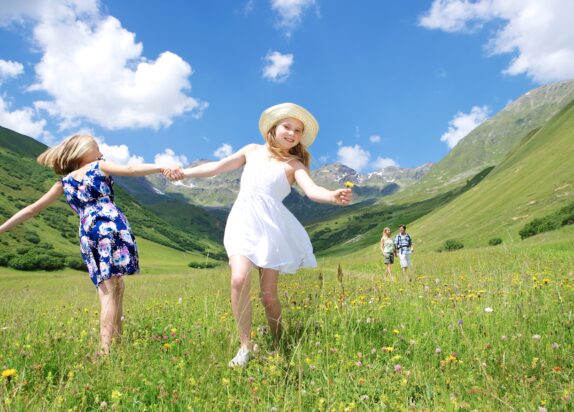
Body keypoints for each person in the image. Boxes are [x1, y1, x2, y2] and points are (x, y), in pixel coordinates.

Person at [173, 103, 352, 367]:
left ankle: (279, 341)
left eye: (297, 131)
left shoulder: (294, 164)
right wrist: (184, 173)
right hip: (243, 220)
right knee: (238, 279)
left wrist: (332, 196)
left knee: (268, 296)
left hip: (272, 228)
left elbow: (313, 190)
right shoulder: (251, 151)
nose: (291, 133)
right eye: (287, 127)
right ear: (274, 128)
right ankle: (245, 346)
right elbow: (218, 167)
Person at [0, 134, 181, 355]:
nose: (100, 150)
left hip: (88, 232)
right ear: (84, 151)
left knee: (115, 286)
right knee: (109, 291)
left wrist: (2, 228)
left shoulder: (64, 182)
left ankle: (118, 339)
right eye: (96, 147)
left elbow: (31, 209)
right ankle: (104, 350)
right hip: (109, 226)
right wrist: (162, 166)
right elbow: (132, 169)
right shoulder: (99, 166)